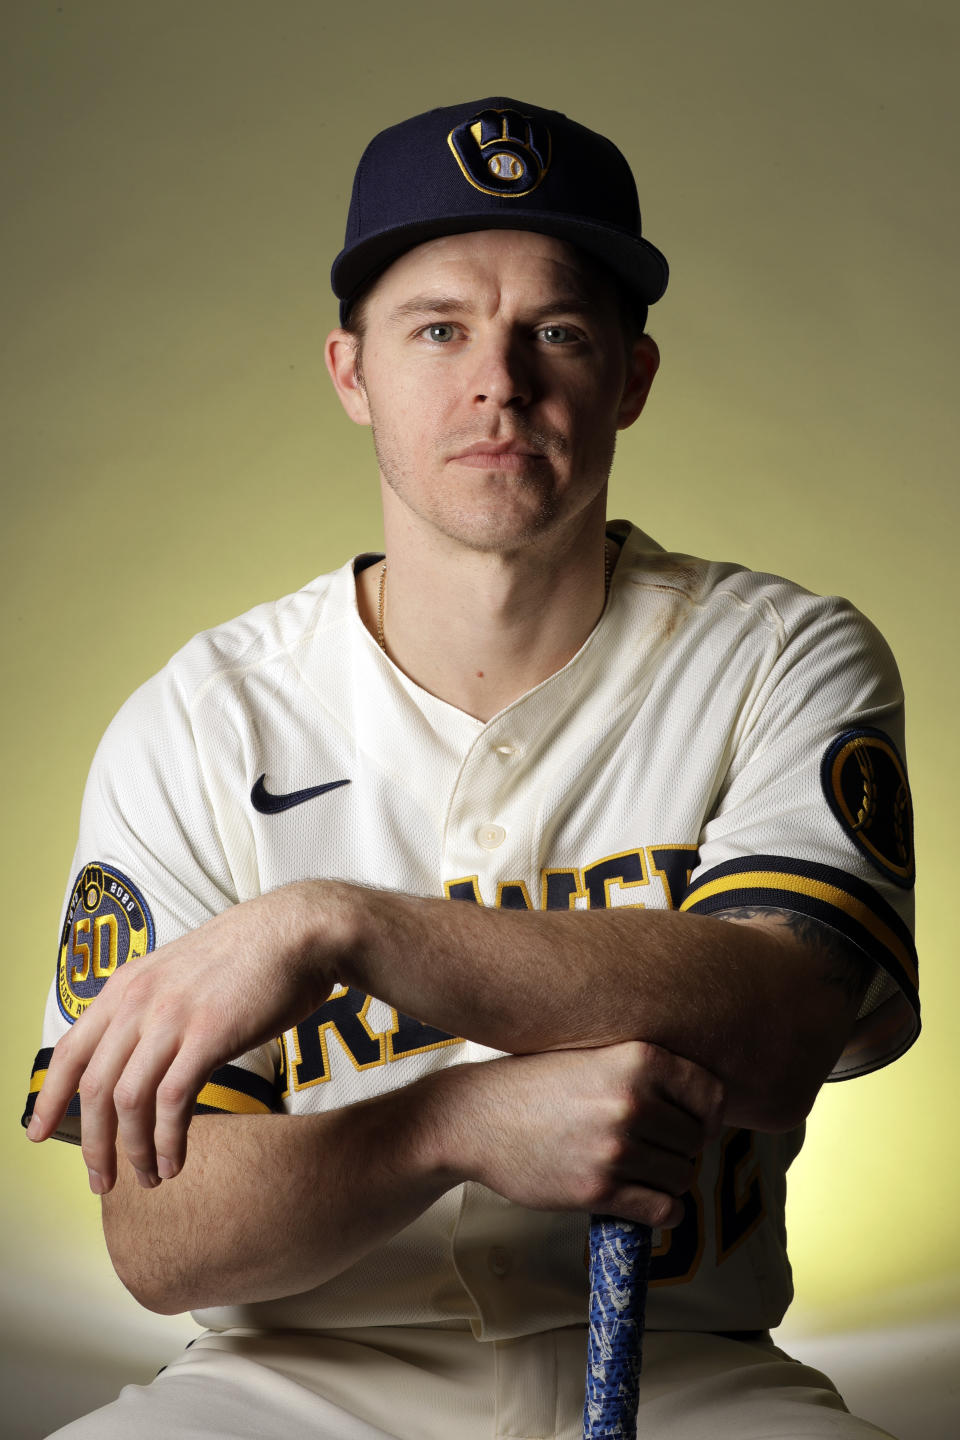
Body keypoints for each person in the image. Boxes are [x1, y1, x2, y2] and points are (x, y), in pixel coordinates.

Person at [24, 98, 918, 1440]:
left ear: (631, 376)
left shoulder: (782, 657)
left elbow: (782, 1018)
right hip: (289, 1388)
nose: (499, 381)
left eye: (554, 331)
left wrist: (339, 926)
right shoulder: (202, 723)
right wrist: (453, 1124)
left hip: (693, 1375)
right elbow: (163, 1244)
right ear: (351, 373)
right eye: (438, 329)